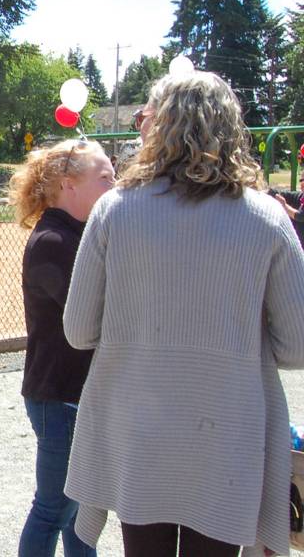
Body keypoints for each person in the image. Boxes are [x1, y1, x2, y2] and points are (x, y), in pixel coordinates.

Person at [63, 72, 304, 557]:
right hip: (227, 438)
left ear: (159, 127)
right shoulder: (269, 219)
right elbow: (297, 347)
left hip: (139, 435)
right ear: (231, 127)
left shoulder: (114, 210)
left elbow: (78, 331)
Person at [8, 138, 114, 557]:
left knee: (79, 510)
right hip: (60, 397)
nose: (115, 184)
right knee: (54, 509)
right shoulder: (55, 241)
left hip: (75, 394)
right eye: (105, 178)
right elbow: (90, 317)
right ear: (69, 184)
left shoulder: (78, 236)